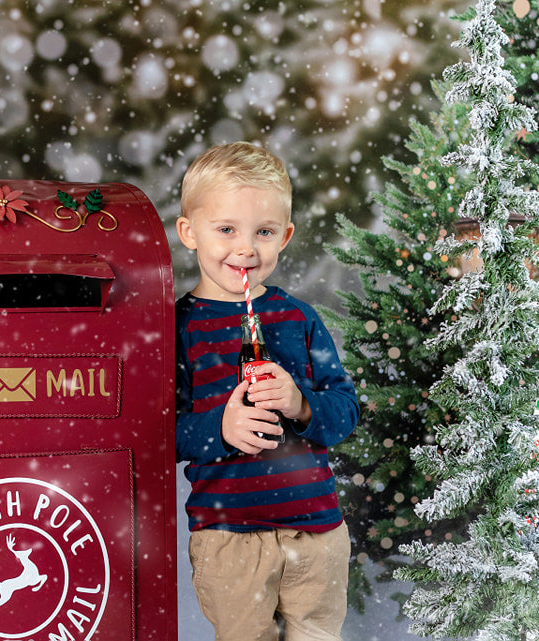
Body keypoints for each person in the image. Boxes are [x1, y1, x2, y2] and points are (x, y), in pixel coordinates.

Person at [174, 141, 359, 641]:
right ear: (189, 232)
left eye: (264, 232)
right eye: (226, 229)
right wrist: (221, 428)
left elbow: (345, 410)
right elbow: (161, 433)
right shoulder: (179, 328)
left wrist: (302, 404)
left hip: (317, 532)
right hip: (230, 537)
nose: (246, 249)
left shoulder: (299, 318)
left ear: (285, 236)